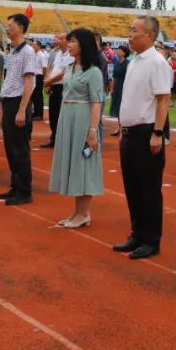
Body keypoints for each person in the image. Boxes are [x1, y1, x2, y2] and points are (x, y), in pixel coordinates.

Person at [112, 16, 173, 259]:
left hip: (146, 133)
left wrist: (157, 132)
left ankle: (151, 239)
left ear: (149, 35)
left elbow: (163, 99)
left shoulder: (156, 62)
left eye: (134, 30)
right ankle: (137, 233)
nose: (129, 34)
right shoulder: (134, 61)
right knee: (133, 187)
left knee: (148, 188)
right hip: (129, 133)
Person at [49, 27, 105, 228]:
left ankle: (84, 214)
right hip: (68, 117)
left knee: (84, 165)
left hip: (83, 120)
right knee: (74, 164)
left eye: (72, 41)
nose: (68, 44)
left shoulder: (94, 72)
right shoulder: (71, 67)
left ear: (83, 45)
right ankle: (77, 212)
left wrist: (92, 132)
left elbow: (96, 103)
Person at [0, 14, 39, 206]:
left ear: (21, 28)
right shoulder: (13, 52)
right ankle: (15, 186)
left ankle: (24, 191)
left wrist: (22, 110)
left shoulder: (28, 52)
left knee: (19, 149)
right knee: (10, 147)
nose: (7, 29)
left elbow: (29, 82)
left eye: (10, 26)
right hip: (9, 101)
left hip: (18, 102)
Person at [43, 33, 72, 148]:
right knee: (53, 115)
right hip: (54, 86)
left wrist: (49, 81)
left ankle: (60, 140)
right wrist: (48, 82)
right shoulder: (58, 53)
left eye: (61, 38)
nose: (58, 41)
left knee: (60, 115)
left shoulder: (70, 55)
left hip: (62, 87)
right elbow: (52, 69)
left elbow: (64, 73)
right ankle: (54, 138)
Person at [108, 44, 130, 135]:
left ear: (124, 53)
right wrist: (112, 89)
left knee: (123, 107)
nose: (117, 51)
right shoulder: (117, 62)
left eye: (119, 50)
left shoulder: (127, 63)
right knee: (117, 107)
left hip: (124, 86)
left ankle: (123, 128)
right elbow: (113, 76)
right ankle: (119, 127)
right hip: (117, 85)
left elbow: (128, 77)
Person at [32, 39, 47, 121]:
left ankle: (39, 114)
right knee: (34, 95)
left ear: (38, 46)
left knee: (38, 96)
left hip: (39, 76)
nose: (32, 46)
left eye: (34, 45)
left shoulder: (42, 55)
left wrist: (44, 78)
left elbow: (44, 67)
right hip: (34, 77)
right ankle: (36, 112)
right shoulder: (35, 54)